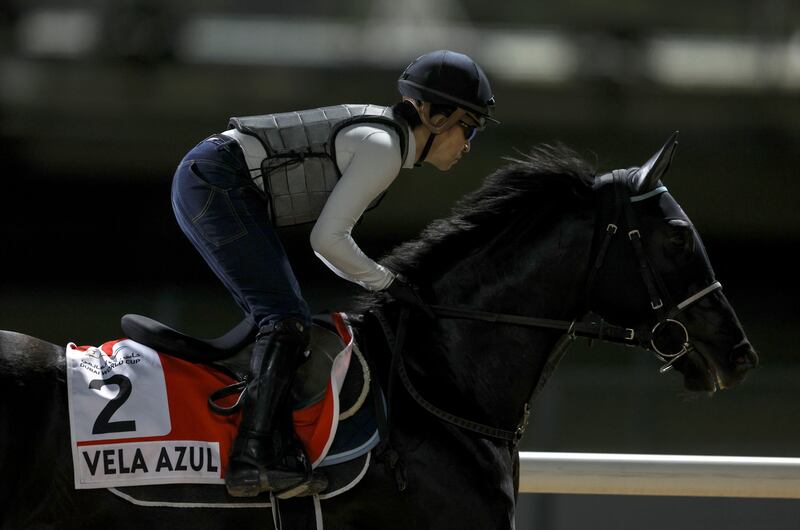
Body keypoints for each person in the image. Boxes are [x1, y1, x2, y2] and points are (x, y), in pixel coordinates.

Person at [170, 49, 497, 498]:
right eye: (470, 127)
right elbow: (328, 241)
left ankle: (263, 439)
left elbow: (328, 245)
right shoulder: (383, 148)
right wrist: (390, 283)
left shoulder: (386, 140)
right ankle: (253, 457)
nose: (468, 144)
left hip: (211, 177)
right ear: (437, 117)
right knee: (284, 320)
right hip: (216, 180)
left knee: (281, 318)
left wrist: (382, 281)